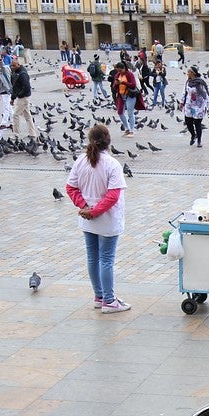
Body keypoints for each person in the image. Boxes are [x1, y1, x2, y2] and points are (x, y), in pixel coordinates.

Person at [65, 124, 131, 312]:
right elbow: (112, 196)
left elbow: (70, 188)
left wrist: (85, 207)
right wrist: (93, 211)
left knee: (93, 257)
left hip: (88, 220)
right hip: (106, 219)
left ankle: (99, 295)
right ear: (108, 142)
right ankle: (109, 300)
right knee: (106, 259)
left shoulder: (81, 160)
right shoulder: (112, 164)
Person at [111, 62, 143, 138]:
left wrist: (123, 82)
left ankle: (132, 131)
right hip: (121, 96)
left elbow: (133, 85)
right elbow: (115, 87)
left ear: (123, 68)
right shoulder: (117, 75)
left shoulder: (129, 74)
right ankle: (127, 128)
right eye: (118, 70)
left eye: (120, 70)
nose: (119, 72)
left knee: (130, 113)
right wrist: (116, 84)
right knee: (120, 112)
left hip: (130, 95)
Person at [180, 66, 209, 147]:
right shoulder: (188, 82)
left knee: (197, 123)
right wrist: (181, 102)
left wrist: (208, 107)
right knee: (188, 121)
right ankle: (193, 135)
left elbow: (206, 95)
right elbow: (184, 92)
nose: (187, 74)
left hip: (199, 106)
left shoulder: (200, 83)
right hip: (189, 105)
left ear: (193, 73)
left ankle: (199, 141)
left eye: (188, 72)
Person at [9, 58, 39, 139]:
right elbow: (15, 87)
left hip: (23, 97)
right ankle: (32, 133)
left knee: (15, 115)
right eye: (11, 66)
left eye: (14, 65)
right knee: (27, 115)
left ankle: (16, 134)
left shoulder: (22, 74)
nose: (12, 67)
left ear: (18, 65)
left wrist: (19, 95)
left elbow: (26, 87)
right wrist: (13, 98)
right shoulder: (16, 73)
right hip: (23, 96)